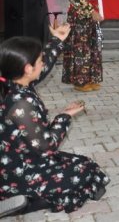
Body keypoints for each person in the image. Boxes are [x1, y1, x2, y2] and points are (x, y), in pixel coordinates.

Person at [0, 26, 110, 214]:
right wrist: (65, 116)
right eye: (40, 60)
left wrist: (57, 40)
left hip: (17, 160)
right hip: (21, 168)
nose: (43, 63)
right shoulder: (21, 105)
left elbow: (44, 67)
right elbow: (47, 147)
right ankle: (23, 200)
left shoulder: (12, 82)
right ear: (27, 68)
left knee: (84, 164)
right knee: (85, 173)